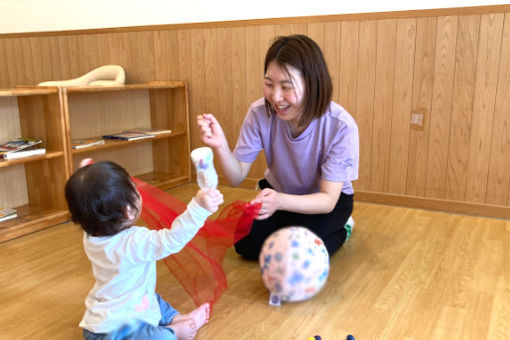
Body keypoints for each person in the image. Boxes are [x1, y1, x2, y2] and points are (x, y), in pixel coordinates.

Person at [197, 34, 359, 261]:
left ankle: (344, 228)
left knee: (303, 252)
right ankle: (288, 229)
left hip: (324, 202)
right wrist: (220, 145)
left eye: (286, 86)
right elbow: (235, 178)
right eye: (268, 84)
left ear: (313, 84)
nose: (275, 96)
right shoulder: (259, 113)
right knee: (246, 245)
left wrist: (280, 201)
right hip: (278, 193)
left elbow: (327, 199)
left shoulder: (340, 125)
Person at [65, 160, 224, 340]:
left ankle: (177, 318)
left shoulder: (91, 235)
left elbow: (89, 204)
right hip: (117, 334)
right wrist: (199, 209)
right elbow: (172, 239)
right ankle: (174, 332)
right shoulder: (134, 242)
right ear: (127, 211)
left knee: (149, 297)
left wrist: (86, 176)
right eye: (134, 189)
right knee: (152, 333)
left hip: (96, 326)